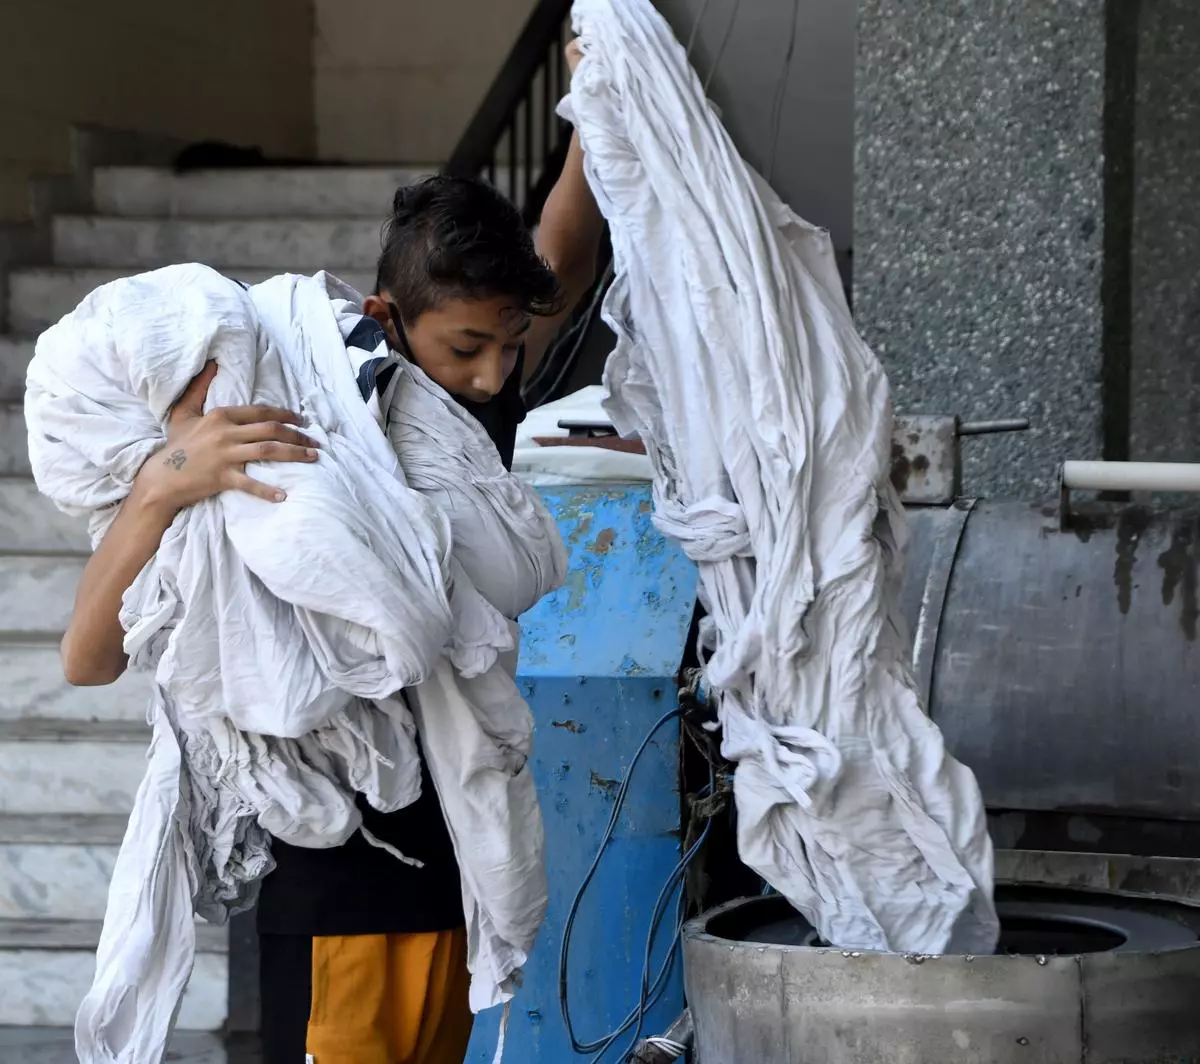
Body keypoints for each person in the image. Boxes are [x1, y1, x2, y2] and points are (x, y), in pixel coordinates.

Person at [59, 42, 603, 1064]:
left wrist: (591, 111)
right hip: (328, 889)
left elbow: (559, 268)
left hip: (449, 862)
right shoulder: (282, 428)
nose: (491, 376)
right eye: (464, 349)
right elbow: (87, 657)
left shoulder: (447, 428)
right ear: (388, 320)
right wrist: (165, 486)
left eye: (507, 347)